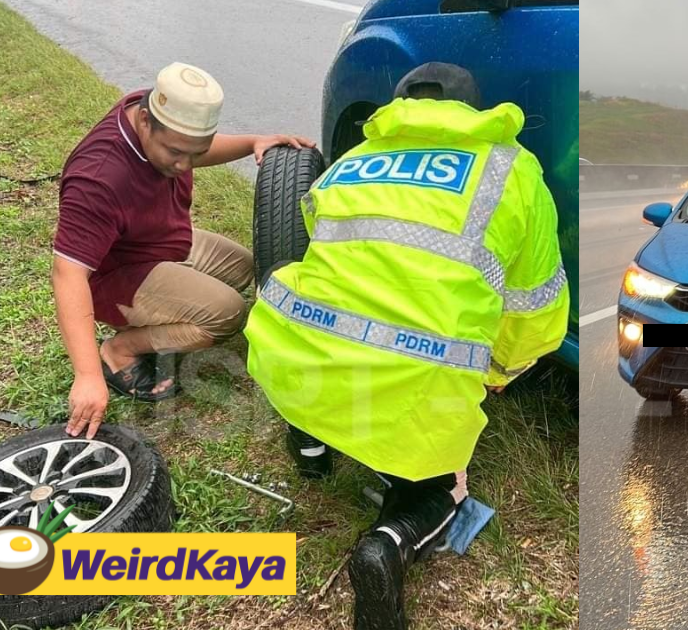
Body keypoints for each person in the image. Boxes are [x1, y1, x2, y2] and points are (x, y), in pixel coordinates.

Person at [243, 63, 569, 629]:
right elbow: (535, 309)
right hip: (412, 384)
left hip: (295, 355)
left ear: (397, 107)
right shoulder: (511, 171)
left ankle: (312, 451)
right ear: (470, 109)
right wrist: (496, 372)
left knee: (320, 341)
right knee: (441, 486)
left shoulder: (351, 161)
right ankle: (390, 543)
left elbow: (321, 248)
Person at [56, 62, 314, 440]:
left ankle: (166, 302)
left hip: (157, 237)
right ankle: (119, 350)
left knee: (249, 268)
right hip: (118, 273)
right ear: (144, 121)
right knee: (226, 313)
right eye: (176, 153)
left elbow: (190, 149)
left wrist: (253, 142)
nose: (184, 165)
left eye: (195, 154)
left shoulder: (161, 120)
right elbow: (67, 275)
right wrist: (87, 375)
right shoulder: (97, 180)